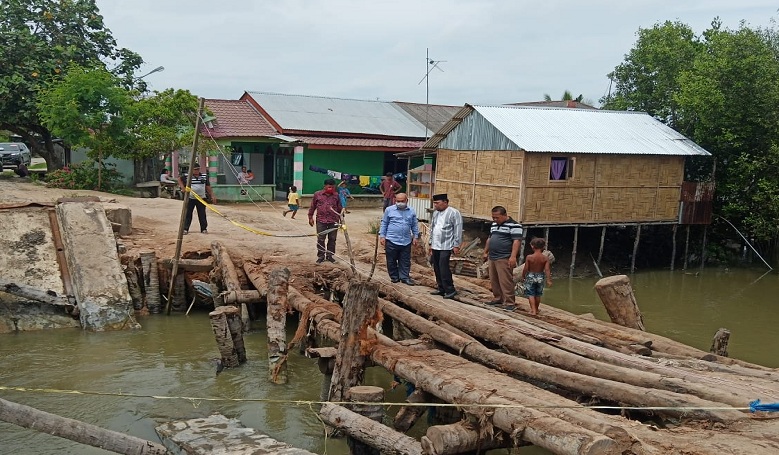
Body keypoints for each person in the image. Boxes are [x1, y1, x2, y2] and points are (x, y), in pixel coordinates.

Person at [482, 206, 524, 310]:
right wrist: (485, 251)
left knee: (505, 280)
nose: (495, 219)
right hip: (492, 256)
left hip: (504, 256)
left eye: (497, 217)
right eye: (493, 217)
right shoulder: (494, 225)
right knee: (494, 279)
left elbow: (516, 241)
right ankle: (498, 298)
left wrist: (513, 256)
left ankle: (509, 302)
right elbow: (490, 238)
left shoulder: (515, 225)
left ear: (505, 215)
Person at [379, 193, 419, 285]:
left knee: (405, 260)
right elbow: (384, 223)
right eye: (398, 201)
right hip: (391, 240)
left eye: (402, 201)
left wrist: (415, 236)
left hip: (406, 241)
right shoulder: (389, 210)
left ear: (407, 201)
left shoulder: (411, 211)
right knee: (391, 260)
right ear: (395, 201)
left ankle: (404, 277)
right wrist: (382, 236)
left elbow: (414, 224)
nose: (400, 203)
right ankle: (394, 277)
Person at [428, 193, 462, 299]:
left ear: (445, 202)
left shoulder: (454, 213)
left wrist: (456, 245)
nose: (435, 205)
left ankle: (450, 289)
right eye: (434, 203)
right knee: (436, 267)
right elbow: (432, 228)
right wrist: (430, 243)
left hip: (446, 245)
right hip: (435, 245)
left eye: (437, 203)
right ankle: (441, 288)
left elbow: (457, 229)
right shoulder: (435, 213)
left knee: (444, 267)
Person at [308, 178, 343, 263]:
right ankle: (321, 256)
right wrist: (310, 217)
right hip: (321, 220)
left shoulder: (336, 195)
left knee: (332, 239)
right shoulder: (317, 194)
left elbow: (339, 208)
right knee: (321, 239)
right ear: (325, 186)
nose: (331, 189)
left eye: (332, 187)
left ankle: (329, 256)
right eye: (329, 187)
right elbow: (313, 206)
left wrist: (342, 220)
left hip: (333, 221)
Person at [179, 164, 216, 235]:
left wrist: (212, 195)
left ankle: (203, 229)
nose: (197, 171)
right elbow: (179, 179)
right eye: (195, 169)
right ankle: (185, 229)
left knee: (202, 214)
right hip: (190, 198)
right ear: (192, 170)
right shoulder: (187, 176)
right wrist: (183, 188)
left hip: (201, 198)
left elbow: (208, 186)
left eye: (198, 169)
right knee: (188, 214)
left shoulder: (204, 176)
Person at [522, 237, 552, 316]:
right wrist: (549, 280)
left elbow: (526, 268)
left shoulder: (529, 257)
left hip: (530, 276)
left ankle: (533, 310)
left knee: (531, 294)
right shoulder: (545, 258)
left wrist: (523, 275)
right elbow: (547, 269)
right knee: (538, 294)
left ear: (532, 246)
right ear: (543, 247)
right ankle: (537, 309)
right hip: (540, 276)